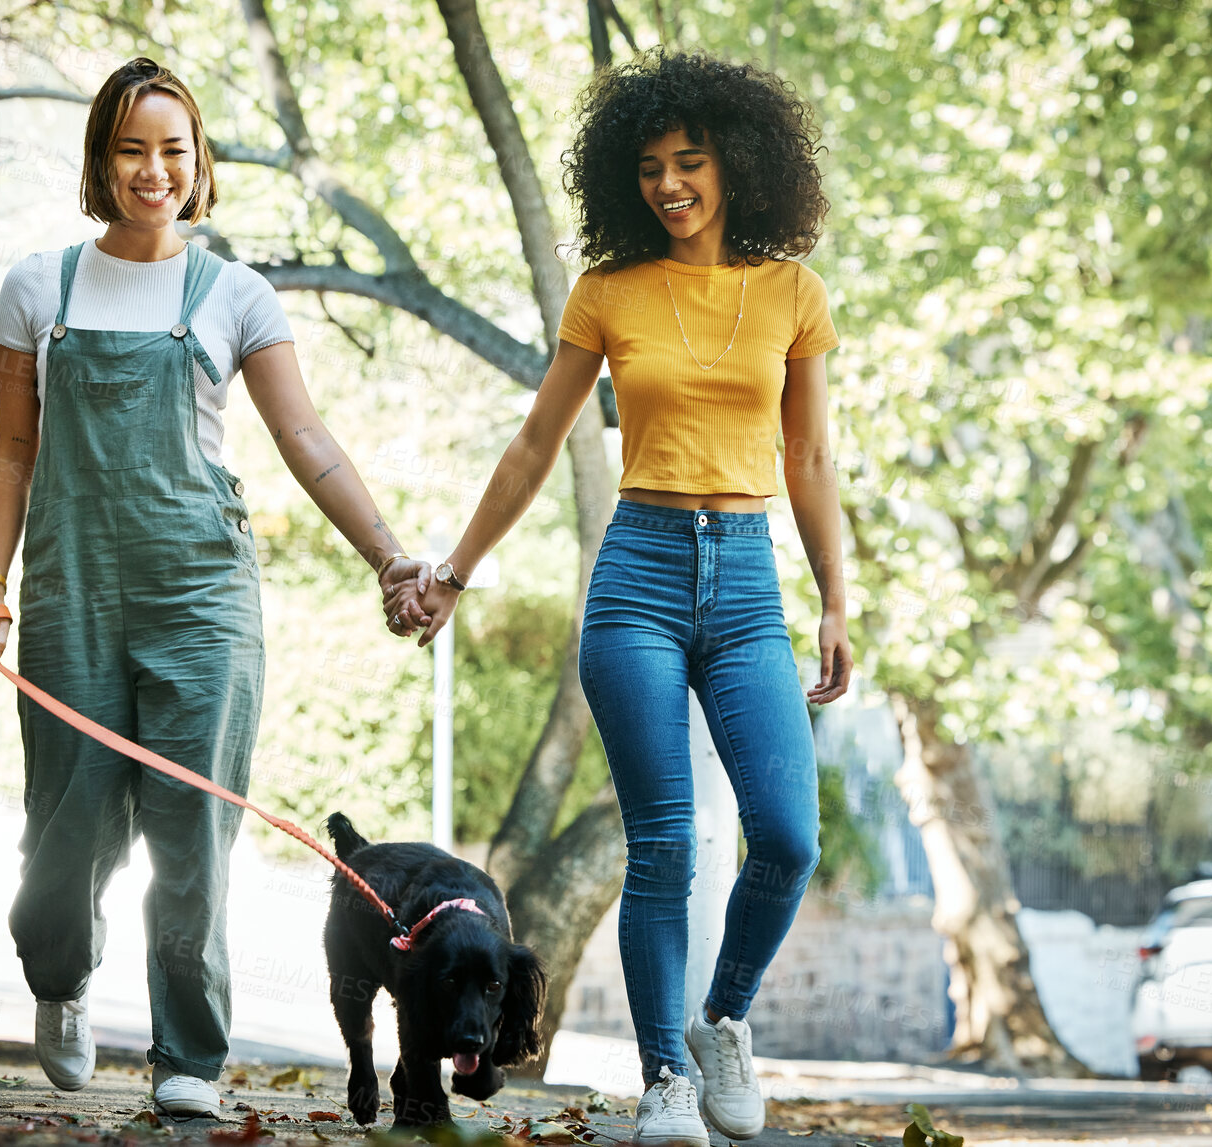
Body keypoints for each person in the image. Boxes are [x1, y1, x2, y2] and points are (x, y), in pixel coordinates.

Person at [390, 51, 852, 1146]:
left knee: (787, 837)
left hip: (745, 579)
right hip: (637, 570)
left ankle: (721, 1023)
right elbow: (535, 444)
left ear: (738, 163)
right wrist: (453, 571)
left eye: (689, 160)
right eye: (647, 166)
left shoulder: (792, 292)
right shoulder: (607, 291)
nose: (669, 184)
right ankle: (663, 1081)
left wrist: (838, 598)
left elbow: (814, 457)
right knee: (667, 842)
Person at [0, 58, 429, 1115]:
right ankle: (61, 979)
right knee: (65, 827)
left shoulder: (235, 295)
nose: (153, 169)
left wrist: (387, 554)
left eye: (173, 148)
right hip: (71, 589)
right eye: (131, 148)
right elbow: (11, 455)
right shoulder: (39, 288)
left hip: (201, 595)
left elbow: (306, 439)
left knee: (192, 831)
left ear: (200, 161)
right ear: (100, 161)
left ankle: (189, 1054)